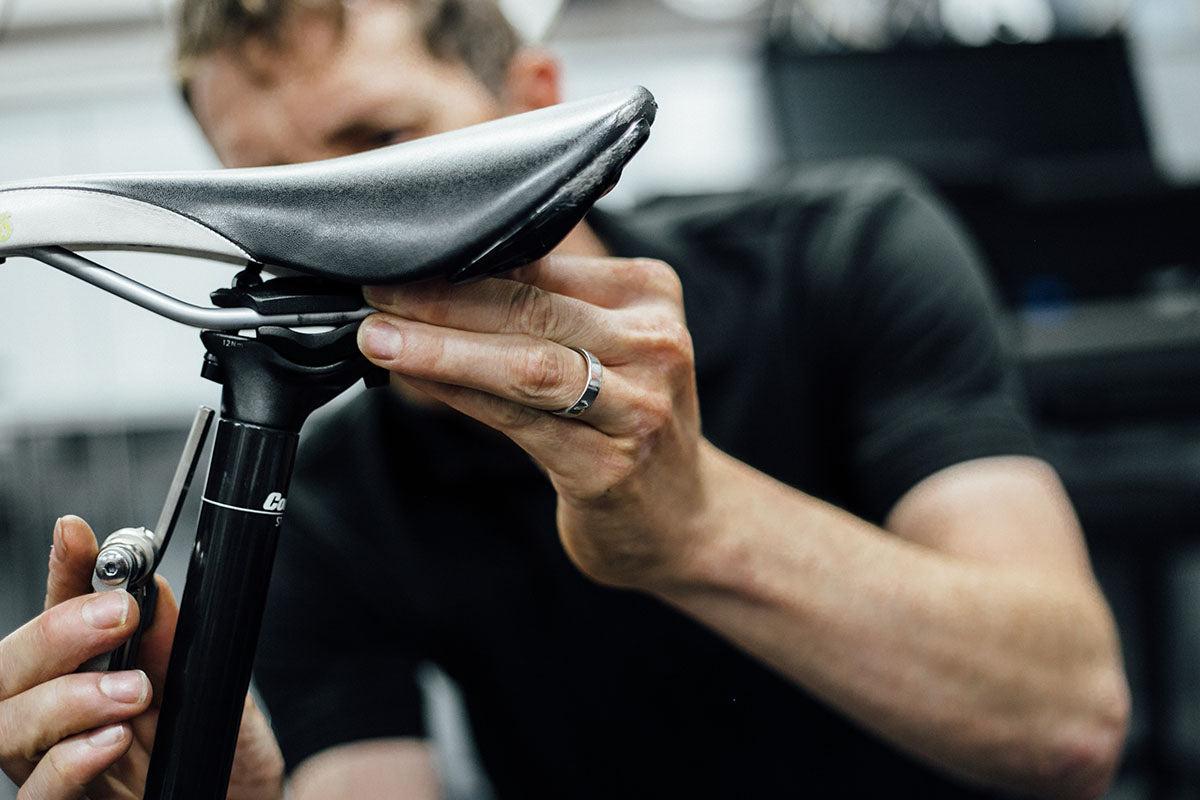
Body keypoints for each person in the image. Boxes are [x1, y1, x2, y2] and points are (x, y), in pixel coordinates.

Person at [0, 0, 1131, 798]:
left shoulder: (850, 252)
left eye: (382, 152)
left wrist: (695, 521)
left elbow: (1069, 715)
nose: (340, 242)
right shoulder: (331, 484)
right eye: (282, 197)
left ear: (537, 103)